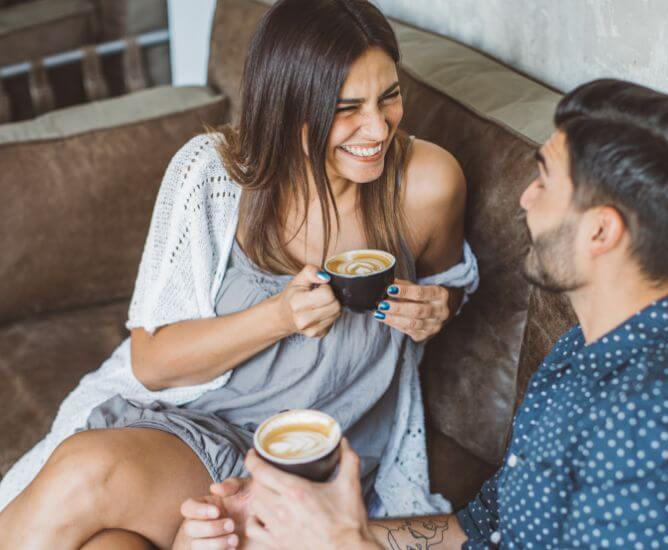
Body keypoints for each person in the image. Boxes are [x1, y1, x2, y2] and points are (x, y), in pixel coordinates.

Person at [175, 78, 668, 549]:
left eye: (544, 181)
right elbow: (477, 532)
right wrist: (309, 526)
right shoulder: (581, 352)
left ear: (601, 231)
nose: (525, 198)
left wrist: (342, 543)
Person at [0, 0, 479, 548]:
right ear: (287, 106)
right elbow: (151, 363)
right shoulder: (213, 174)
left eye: (388, 96)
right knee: (87, 474)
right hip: (194, 428)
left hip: (306, 461)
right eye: (347, 108)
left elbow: (447, 292)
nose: (378, 127)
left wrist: (438, 309)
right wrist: (279, 317)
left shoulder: (429, 184)